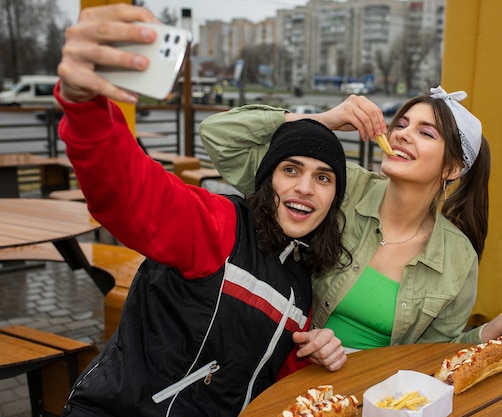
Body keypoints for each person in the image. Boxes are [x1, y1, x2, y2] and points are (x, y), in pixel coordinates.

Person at [55, 4, 348, 417]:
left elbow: (266, 380)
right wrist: (83, 105)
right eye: (290, 169)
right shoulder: (222, 226)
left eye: (323, 178)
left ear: (334, 199)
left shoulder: (301, 286)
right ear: (267, 181)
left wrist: (313, 355)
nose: (304, 187)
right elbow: (132, 193)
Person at [200, 89, 502, 350]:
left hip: (371, 395)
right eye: (401, 124)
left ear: (452, 168)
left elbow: (437, 355)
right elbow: (219, 137)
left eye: (425, 132)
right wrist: (322, 121)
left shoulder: (458, 257)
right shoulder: (340, 184)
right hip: (276, 364)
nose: (402, 133)